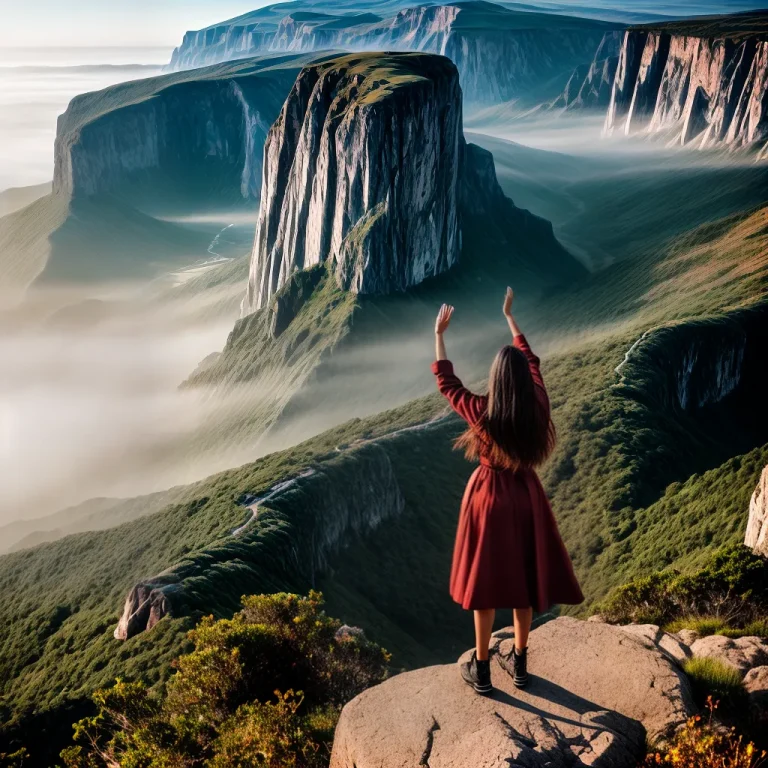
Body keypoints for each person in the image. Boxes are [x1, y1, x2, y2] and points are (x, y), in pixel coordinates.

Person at [432, 287, 584, 695]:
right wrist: (510, 318)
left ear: (496, 380)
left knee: (484, 587)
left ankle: (481, 671)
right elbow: (533, 363)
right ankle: (519, 666)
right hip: (525, 495)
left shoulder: (482, 412)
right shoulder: (537, 405)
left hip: (486, 497)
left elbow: (447, 382)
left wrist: (439, 334)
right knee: (523, 582)